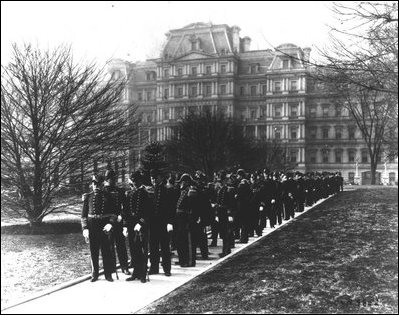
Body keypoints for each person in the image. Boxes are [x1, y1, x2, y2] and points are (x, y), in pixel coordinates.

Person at [81, 174, 115, 282]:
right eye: (94, 183)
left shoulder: (108, 196)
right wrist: (85, 228)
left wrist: (110, 223)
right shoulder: (88, 197)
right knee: (93, 251)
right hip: (92, 227)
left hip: (104, 227)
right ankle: (95, 273)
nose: (95, 186)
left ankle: (108, 274)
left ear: (101, 185)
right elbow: (83, 215)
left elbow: (114, 213)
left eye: (98, 184)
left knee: (106, 251)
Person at [124, 171, 152, 283]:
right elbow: (125, 211)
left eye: (136, 181)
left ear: (140, 181)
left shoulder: (145, 193)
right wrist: (125, 225)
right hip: (131, 224)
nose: (135, 183)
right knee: (133, 249)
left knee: (142, 249)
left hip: (142, 224)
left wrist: (140, 223)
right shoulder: (129, 194)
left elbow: (148, 211)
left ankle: (143, 273)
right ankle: (136, 272)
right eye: (133, 181)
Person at [103, 169, 130, 275]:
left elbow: (125, 207)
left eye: (114, 179)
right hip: (108, 222)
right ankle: (111, 267)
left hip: (118, 221)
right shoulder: (103, 191)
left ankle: (124, 267)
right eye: (110, 179)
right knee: (109, 245)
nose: (112, 181)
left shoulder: (120, 191)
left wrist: (121, 216)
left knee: (121, 245)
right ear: (107, 179)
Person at [148, 169, 174, 277]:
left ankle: (167, 269)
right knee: (153, 246)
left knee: (164, 247)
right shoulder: (150, 190)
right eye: (152, 178)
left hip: (163, 222)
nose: (154, 180)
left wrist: (170, 222)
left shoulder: (167, 190)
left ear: (161, 178)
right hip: (153, 223)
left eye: (156, 178)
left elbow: (171, 208)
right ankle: (154, 267)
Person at [175, 173, 197, 267]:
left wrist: (190, 219)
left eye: (183, 181)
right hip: (180, 218)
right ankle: (182, 260)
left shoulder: (191, 190)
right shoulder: (183, 191)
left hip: (186, 218)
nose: (181, 183)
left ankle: (190, 261)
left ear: (187, 182)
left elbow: (192, 206)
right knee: (181, 240)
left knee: (188, 241)